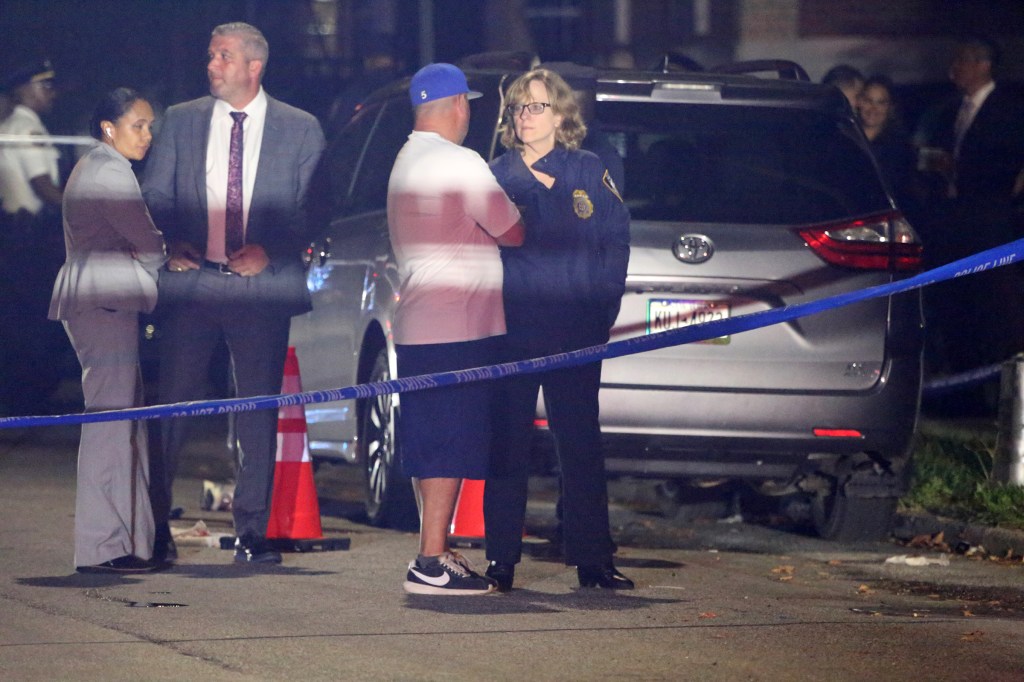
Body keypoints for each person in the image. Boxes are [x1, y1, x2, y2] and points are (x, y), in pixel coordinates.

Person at [142, 22, 326, 564]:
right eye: (210, 55)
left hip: (259, 289)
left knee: (256, 412)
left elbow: (313, 209)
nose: (212, 65)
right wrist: (170, 241)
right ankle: (154, 530)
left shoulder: (301, 128)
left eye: (223, 56)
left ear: (254, 66)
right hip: (193, 285)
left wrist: (272, 249)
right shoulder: (182, 120)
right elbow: (153, 194)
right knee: (172, 409)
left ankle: (252, 531)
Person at [483, 68, 632, 591]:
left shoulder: (588, 169)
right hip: (514, 331)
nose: (526, 116)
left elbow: (616, 238)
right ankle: (500, 559)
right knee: (506, 445)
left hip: (577, 331)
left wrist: (603, 308)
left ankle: (593, 559)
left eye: (537, 106)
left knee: (581, 445)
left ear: (562, 115)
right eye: (519, 108)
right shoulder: (496, 175)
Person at [388, 63, 524, 595]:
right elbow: (511, 230)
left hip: (421, 321)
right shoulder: (459, 162)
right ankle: (428, 561)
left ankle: (435, 548)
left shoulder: (405, 159)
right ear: (458, 106)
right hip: (459, 325)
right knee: (449, 443)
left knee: (430, 442)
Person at [49, 88, 166, 573]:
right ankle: (105, 546)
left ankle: (129, 542)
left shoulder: (93, 166)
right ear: (108, 128)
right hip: (106, 300)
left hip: (97, 298)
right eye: (137, 125)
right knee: (111, 424)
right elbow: (146, 238)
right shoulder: (110, 171)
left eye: (149, 125)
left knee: (119, 421)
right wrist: (159, 255)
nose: (147, 134)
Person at [919, 36, 1024, 412]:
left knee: (987, 313)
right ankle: (958, 394)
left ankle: (985, 399)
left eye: (962, 60)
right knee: (955, 311)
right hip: (953, 226)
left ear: (983, 65)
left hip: (989, 227)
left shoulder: (1009, 111)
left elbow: (1005, 166)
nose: (954, 68)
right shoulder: (950, 110)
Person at [0, 59, 68, 415]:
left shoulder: (19, 125)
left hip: (20, 235)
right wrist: (82, 206)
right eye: (44, 86)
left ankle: (24, 392)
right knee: (31, 319)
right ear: (24, 90)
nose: (51, 93)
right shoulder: (26, 129)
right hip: (29, 237)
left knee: (23, 318)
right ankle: (27, 394)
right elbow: (43, 188)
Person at [855, 75, 921, 217]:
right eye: (868, 100)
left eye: (881, 102)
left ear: (890, 107)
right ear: (859, 102)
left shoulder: (899, 146)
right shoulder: (846, 137)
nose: (873, 108)